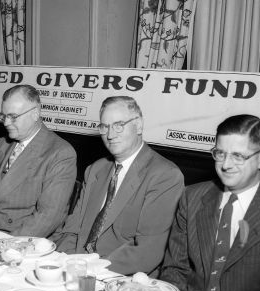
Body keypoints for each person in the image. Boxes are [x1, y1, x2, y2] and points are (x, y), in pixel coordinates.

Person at [160, 115, 260, 291]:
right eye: (220, 153)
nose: (226, 165)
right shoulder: (192, 197)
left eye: (238, 156)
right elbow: (175, 269)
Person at [51, 96, 184, 276]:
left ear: (138, 125)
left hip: (122, 278)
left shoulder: (164, 175)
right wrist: (67, 262)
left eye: (119, 125)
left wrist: (89, 272)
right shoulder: (95, 170)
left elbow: (147, 252)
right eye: (105, 127)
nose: (111, 135)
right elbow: (71, 230)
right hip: (78, 267)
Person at [0, 84, 76, 238]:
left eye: (13, 116)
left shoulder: (60, 153)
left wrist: (7, 244)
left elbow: (48, 216)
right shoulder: (2, 144)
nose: (6, 123)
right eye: (3, 116)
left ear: (35, 113)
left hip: (21, 240)